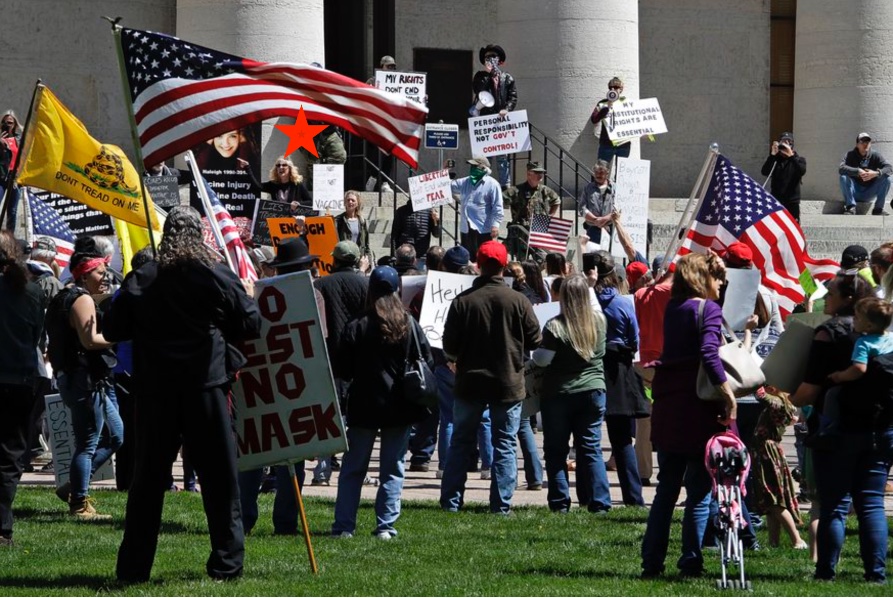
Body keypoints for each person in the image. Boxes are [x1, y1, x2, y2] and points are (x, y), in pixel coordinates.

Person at [106, 206, 261, 583]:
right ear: (198, 235)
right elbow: (251, 322)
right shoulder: (214, 272)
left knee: (147, 482)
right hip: (206, 387)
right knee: (220, 478)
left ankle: (133, 569)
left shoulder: (144, 276)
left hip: (156, 390)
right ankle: (227, 564)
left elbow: (112, 328)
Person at [641, 252, 736, 579]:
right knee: (698, 493)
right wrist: (728, 393)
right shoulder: (707, 309)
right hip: (698, 410)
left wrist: (717, 269)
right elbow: (709, 353)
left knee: (666, 491)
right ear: (704, 278)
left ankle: (651, 561)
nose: (721, 284)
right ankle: (690, 561)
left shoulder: (674, 308)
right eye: (718, 278)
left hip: (669, 407)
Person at [789, 272, 884, 582]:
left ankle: (826, 570)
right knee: (871, 504)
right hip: (880, 427)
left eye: (830, 293)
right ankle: (876, 574)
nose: (825, 298)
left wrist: (785, 395)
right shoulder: (884, 335)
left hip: (838, 429)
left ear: (849, 300)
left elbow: (810, 388)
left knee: (834, 504)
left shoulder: (829, 333)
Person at [331, 266, 433, 539]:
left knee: (353, 469)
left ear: (371, 289)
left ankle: (344, 526)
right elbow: (427, 359)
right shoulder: (408, 323)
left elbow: (343, 368)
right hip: (400, 405)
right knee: (392, 469)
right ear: (396, 290)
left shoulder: (357, 324)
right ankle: (385, 526)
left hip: (364, 405)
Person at [440, 241, 541, 514]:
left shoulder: (463, 301)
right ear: (504, 266)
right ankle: (501, 505)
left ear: (478, 264)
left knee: (461, 441)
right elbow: (535, 339)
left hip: (470, 382)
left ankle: (451, 501)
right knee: (505, 443)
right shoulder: (518, 301)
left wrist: (454, 360)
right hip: (507, 382)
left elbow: (448, 346)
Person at [45, 237, 123, 520]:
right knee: (88, 443)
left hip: (79, 378)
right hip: (83, 381)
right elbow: (90, 341)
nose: (106, 277)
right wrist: (121, 336)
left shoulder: (64, 297)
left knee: (116, 435)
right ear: (85, 273)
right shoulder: (82, 298)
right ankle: (79, 503)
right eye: (101, 272)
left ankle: (73, 486)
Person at [533, 273, 609, 512]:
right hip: (593, 391)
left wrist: (535, 354)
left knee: (556, 450)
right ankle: (600, 502)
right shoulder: (600, 320)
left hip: (559, 394)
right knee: (591, 448)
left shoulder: (555, 326)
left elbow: (543, 360)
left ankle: (559, 502)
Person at [592, 251, 649, 506]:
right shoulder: (624, 303)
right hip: (619, 371)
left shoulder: (587, 302)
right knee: (622, 438)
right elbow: (634, 339)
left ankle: (593, 495)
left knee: (588, 437)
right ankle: (633, 497)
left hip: (591, 367)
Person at [0, 231, 44, 546]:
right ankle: (2, 527)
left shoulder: (29, 290)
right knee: (9, 456)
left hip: (15, 379)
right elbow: (37, 336)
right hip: (19, 382)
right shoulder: (31, 291)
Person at [313, 240, 369, 485]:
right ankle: (355, 471)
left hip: (328, 359)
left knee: (328, 416)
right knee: (356, 419)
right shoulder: (366, 285)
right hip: (359, 361)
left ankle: (322, 472)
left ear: (334, 260)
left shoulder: (320, 284)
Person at [750, 387, 806, 549]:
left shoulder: (778, 403)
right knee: (770, 501)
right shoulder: (783, 404)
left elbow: (760, 394)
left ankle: (797, 540)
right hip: (768, 453)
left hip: (767, 454)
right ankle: (773, 543)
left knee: (773, 500)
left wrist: (755, 378)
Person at [472, 44, 518, 187]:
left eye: (493, 57)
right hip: (486, 121)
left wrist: (507, 109)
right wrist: (487, 75)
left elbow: (513, 96)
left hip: (500, 122)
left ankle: (505, 187)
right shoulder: (480, 76)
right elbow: (479, 90)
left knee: (502, 157)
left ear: (499, 60)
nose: (490, 59)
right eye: (487, 57)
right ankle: (480, 184)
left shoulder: (507, 78)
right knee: (484, 157)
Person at [502, 161, 561, 260]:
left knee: (541, 259)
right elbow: (499, 199)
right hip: (522, 230)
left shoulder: (544, 190)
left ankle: (534, 273)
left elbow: (556, 201)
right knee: (522, 260)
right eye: (537, 173)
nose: (540, 175)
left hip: (538, 230)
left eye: (541, 173)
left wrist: (550, 216)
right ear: (529, 174)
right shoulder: (516, 190)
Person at [828, 297, 893, 384]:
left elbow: (858, 369)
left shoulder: (863, 343)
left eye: (857, 317)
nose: (853, 319)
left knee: (832, 394)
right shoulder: (891, 336)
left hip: (875, 389)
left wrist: (839, 376)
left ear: (869, 326)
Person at [450, 156, 504, 257]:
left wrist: (495, 225)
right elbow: (449, 186)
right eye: (471, 166)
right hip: (466, 228)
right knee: (468, 258)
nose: (472, 169)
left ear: (483, 168)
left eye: (475, 166)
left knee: (482, 258)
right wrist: (444, 170)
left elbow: (498, 206)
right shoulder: (466, 181)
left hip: (483, 229)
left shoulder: (492, 184)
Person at [839, 132, 892, 215]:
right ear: (857, 144)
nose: (865, 144)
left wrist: (876, 173)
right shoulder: (850, 155)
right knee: (843, 177)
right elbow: (841, 168)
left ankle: (878, 209)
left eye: (868, 142)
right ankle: (850, 207)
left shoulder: (875, 155)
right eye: (862, 142)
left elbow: (889, 168)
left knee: (887, 179)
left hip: (870, 192)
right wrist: (858, 171)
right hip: (855, 191)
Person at [761, 132, 807, 222]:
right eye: (783, 141)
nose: (785, 144)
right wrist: (772, 155)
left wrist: (791, 156)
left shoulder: (799, 159)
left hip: (792, 202)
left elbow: (801, 171)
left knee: (793, 228)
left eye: (788, 141)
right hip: (776, 200)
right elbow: (765, 171)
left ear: (792, 144)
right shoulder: (775, 160)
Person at [240, 156, 312, 211]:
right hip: (277, 221)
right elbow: (257, 186)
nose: (281, 167)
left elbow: (310, 202)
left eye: (284, 165)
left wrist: (299, 204)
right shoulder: (273, 184)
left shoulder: (297, 184)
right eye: (278, 165)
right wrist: (247, 168)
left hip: (293, 222)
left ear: (289, 168)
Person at [590, 77, 631, 165]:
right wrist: (606, 108)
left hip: (623, 143)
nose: (613, 89)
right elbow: (594, 119)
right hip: (606, 143)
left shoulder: (627, 103)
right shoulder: (602, 103)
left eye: (616, 87)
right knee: (601, 169)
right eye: (610, 87)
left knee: (622, 172)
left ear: (621, 89)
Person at [577, 161, 615, 245]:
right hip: (592, 229)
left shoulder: (615, 188)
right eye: (596, 172)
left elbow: (619, 208)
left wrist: (605, 219)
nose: (598, 175)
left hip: (610, 228)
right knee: (593, 255)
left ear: (607, 173)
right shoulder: (588, 188)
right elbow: (582, 208)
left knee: (608, 256)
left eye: (601, 173)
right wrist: (595, 220)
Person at [334, 190, 372, 267]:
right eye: (348, 200)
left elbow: (367, 245)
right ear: (345, 203)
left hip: (359, 261)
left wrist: (369, 262)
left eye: (353, 200)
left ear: (357, 203)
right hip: (344, 261)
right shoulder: (338, 220)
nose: (350, 202)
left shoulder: (362, 221)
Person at [0, 111, 22, 230]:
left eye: (10, 122)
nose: (7, 125)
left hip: (15, 178)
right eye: (4, 122)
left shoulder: (19, 139)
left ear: (15, 125)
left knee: (12, 211)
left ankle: (9, 239)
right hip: (1, 177)